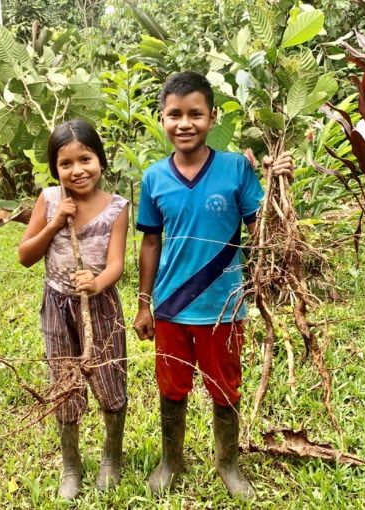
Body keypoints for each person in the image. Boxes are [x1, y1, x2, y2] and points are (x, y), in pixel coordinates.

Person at [133, 71, 292, 501]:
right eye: (175, 114)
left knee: (225, 386)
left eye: (195, 114)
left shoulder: (236, 168)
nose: (185, 123)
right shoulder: (154, 178)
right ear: (162, 119)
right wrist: (144, 304)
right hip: (169, 307)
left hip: (223, 306)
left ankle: (228, 463)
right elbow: (151, 242)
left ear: (211, 117)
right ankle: (172, 460)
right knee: (171, 387)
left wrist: (279, 185)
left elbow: (264, 232)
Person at [18, 119, 129, 499]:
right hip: (57, 307)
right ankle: (71, 464)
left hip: (101, 308)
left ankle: (111, 457)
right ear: (55, 169)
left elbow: (117, 263)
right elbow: (25, 255)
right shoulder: (49, 200)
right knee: (64, 383)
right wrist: (54, 223)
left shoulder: (116, 207)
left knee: (110, 380)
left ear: (100, 159)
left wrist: (97, 282)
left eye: (86, 159)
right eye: (66, 164)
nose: (78, 170)